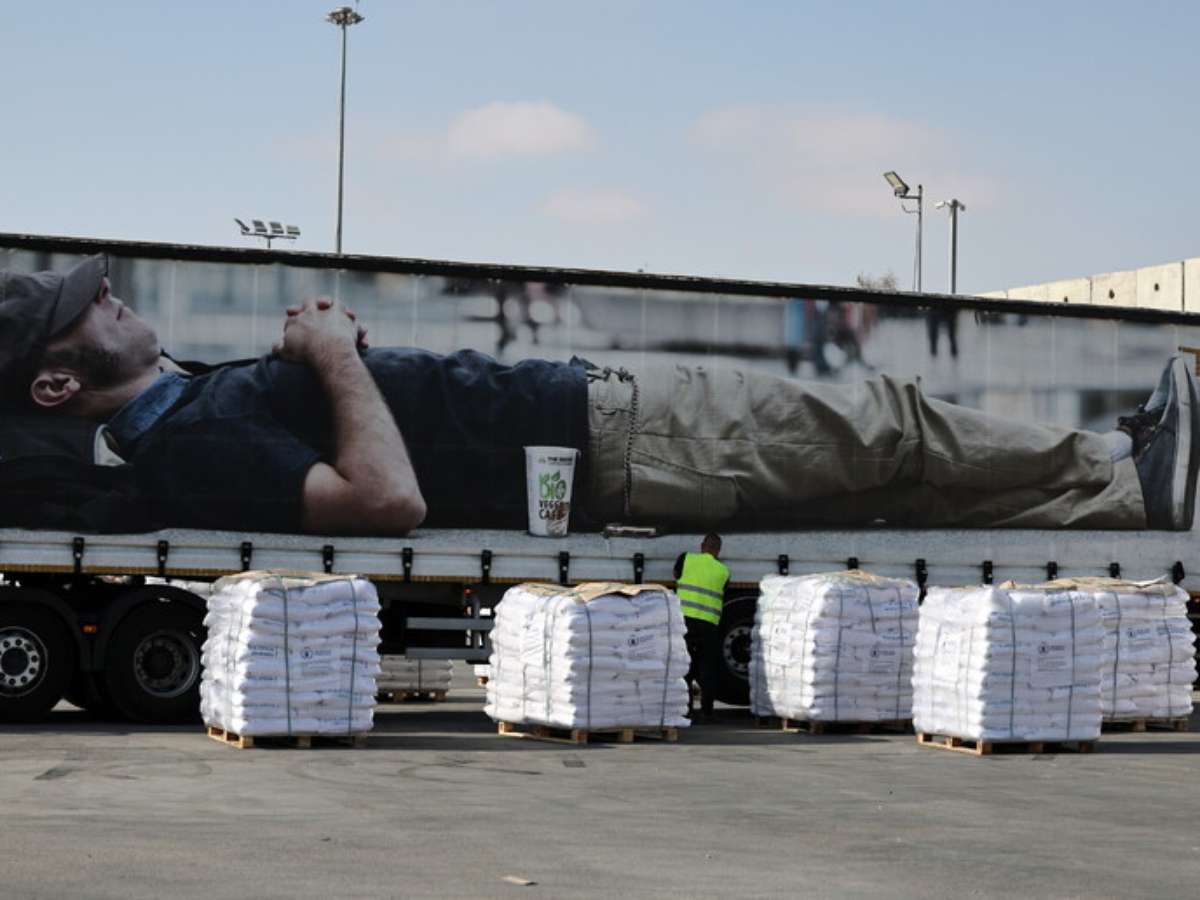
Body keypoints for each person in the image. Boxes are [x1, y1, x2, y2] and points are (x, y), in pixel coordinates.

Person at [2, 255, 1198, 535]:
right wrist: (334, 356)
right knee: (889, 422)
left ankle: (1130, 493)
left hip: (614, 431)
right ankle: (1122, 460)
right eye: (83, 306)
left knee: (898, 488)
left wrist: (332, 358)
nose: (108, 293)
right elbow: (384, 502)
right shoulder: (188, 447)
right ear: (58, 381)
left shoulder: (192, 408)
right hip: (620, 432)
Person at [673, 533, 730, 722]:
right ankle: (707, 711)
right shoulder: (724, 571)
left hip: (685, 621)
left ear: (702, 545)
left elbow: (676, 576)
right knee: (708, 668)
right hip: (709, 624)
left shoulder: (685, 559)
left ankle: (685, 709)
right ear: (718, 550)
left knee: (685, 666)